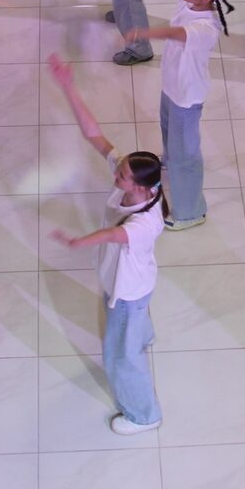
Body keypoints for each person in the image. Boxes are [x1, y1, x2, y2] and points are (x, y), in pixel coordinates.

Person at [47, 55, 166, 435]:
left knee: (120, 358)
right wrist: (68, 86)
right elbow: (93, 134)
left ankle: (144, 416)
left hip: (127, 291)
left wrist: (77, 241)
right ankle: (143, 336)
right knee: (134, 326)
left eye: (123, 176)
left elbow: (113, 235)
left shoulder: (144, 223)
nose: (116, 175)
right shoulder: (143, 187)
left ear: (141, 187)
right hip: (133, 282)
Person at [109, 0, 231, 231]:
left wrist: (142, 32)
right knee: (169, 135)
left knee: (186, 157)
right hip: (172, 86)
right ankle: (169, 159)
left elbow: (177, 33)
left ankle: (191, 212)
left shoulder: (206, 26)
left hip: (186, 96)